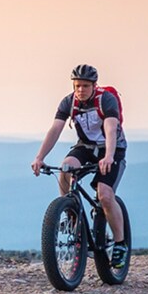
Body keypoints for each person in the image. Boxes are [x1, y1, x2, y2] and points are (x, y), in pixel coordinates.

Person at [31, 64, 129, 269]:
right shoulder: (69, 102)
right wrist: (40, 157)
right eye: (77, 86)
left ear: (94, 85)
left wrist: (109, 156)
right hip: (85, 147)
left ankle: (120, 244)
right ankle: (70, 213)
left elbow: (111, 130)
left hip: (112, 150)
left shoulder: (106, 100)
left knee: (104, 194)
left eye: (85, 85)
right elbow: (55, 130)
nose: (81, 90)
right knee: (66, 167)